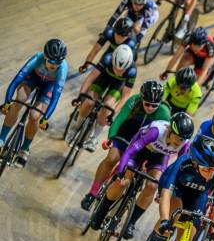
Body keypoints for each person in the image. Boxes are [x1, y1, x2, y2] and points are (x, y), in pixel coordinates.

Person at [89, 112, 195, 239]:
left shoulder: (184, 144)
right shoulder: (156, 132)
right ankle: (102, 211)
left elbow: (178, 168)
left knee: (152, 185)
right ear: (170, 131)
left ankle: (131, 222)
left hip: (159, 156)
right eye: (178, 137)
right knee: (124, 180)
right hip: (139, 150)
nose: (180, 141)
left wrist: (163, 188)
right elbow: (129, 151)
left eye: (184, 139)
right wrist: (121, 172)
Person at [80, 79, 170, 212]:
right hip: (128, 133)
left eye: (154, 105)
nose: (150, 108)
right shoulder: (134, 100)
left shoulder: (164, 112)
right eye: (147, 104)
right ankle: (92, 193)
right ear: (141, 97)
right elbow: (120, 119)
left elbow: (162, 139)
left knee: (134, 172)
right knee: (111, 159)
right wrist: (111, 138)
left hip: (147, 142)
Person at [0, 39, 68, 168]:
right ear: (45, 56)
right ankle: (1, 139)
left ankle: (24, 149)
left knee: (35, 116)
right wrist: (7, 101)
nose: (54, 65)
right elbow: (15, 81)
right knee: (19, 99)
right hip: (33, 78)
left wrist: (45, 118)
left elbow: (55, 97)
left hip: (49, 86)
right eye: (51, 61)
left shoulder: (62, 69)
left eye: (57, 63)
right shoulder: (37, 58)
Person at [72, 44, 137, 152]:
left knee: (108, 106)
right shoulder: (107, 59)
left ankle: (94, 138)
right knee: (88, 101)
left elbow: (125, 96)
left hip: (118, 85)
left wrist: (113, 113)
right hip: (104, 78)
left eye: (122, 70)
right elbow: (90, 78)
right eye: (116, 67)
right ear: (112, 61)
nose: (118, 71)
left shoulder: (132, 71)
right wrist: (80, 96)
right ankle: (77, 127)